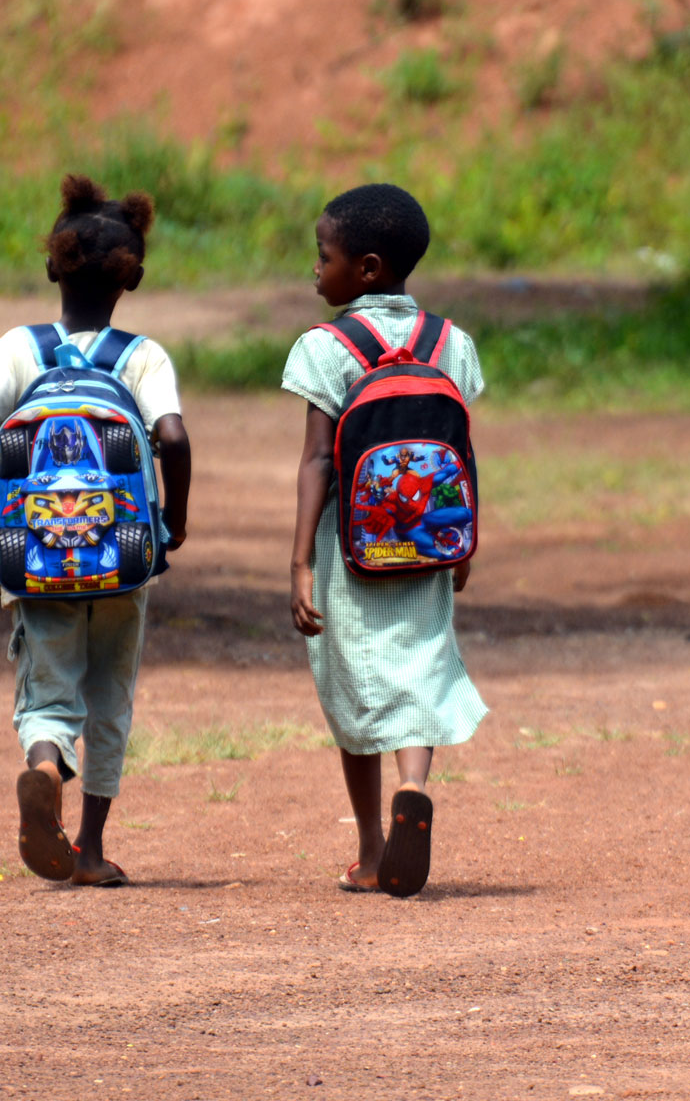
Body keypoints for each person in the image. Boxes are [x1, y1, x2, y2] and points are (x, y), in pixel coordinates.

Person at [0, 175, 192, 887]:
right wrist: (170, 521)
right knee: (110, 691)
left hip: (37, 556)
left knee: (48, 684)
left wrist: (8, 496)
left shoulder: (19, 347)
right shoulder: (141, 356)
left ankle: (46, 764)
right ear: (134, 279)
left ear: (52, 264)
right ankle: (87, 847)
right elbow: (172, 438)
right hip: (123, 555)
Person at [283, 183, 486, 898]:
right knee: (423, 665)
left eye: (324, 255)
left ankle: (373, 849)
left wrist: (302, 559)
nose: (315, 269)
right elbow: (461, 447)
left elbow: (315, 461)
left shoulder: (324, 347)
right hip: (430, 536)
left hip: (352, 549)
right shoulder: (450, 342)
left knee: (354, 683)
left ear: (365, 269)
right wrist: (466, 534)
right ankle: (415, 786)